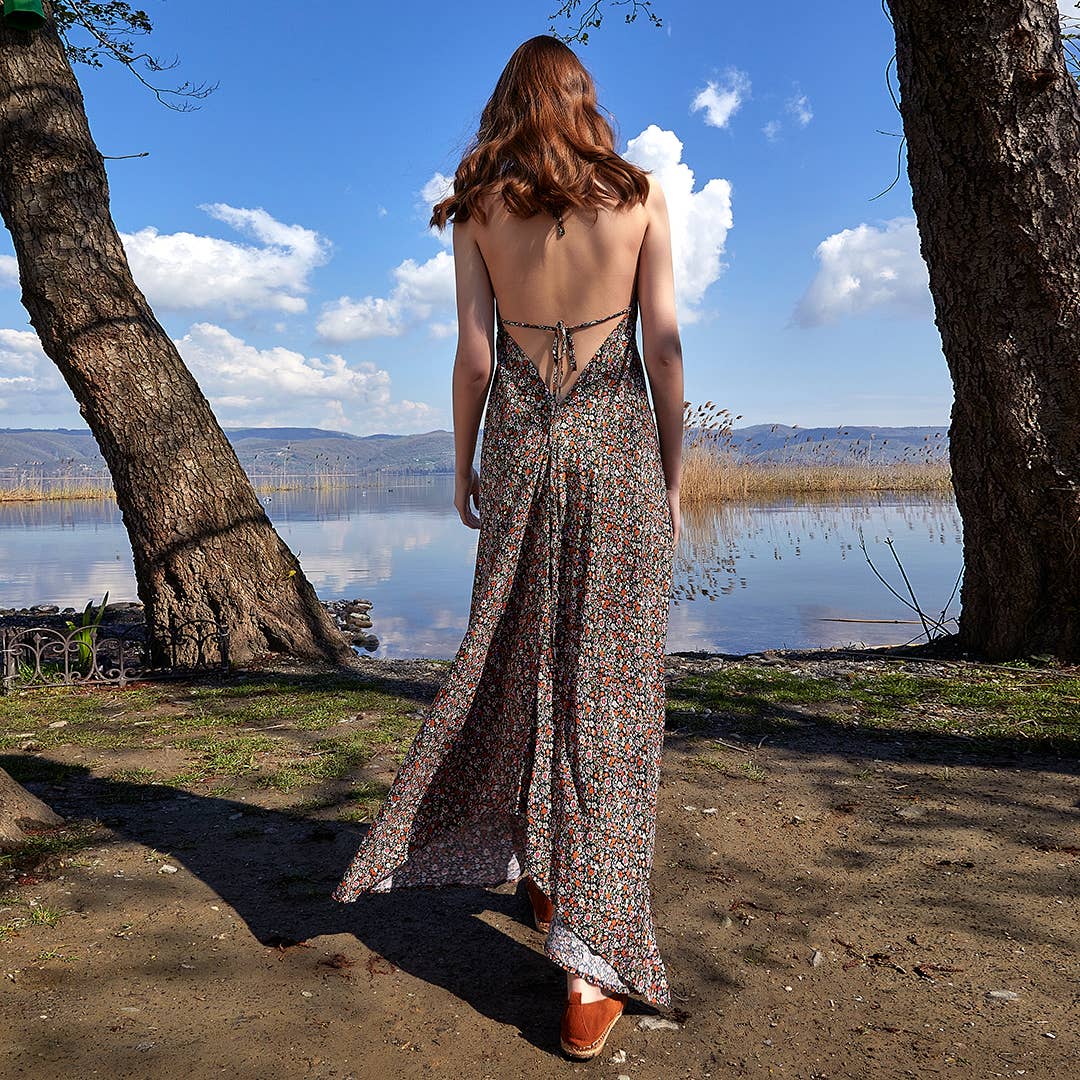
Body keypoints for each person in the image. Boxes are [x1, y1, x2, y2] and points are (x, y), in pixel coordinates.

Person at [331, 33, 683, 1061]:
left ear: (505, 108)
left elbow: (476, 358)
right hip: (617, 456)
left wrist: (459, 466)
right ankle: (588, 969)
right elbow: (660, 347)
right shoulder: (642, 197)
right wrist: (670, 474)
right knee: (611, 697)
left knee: (513, 663)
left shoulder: (479, 206)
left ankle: (540, 876)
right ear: (583, 103)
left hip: (524, 453)